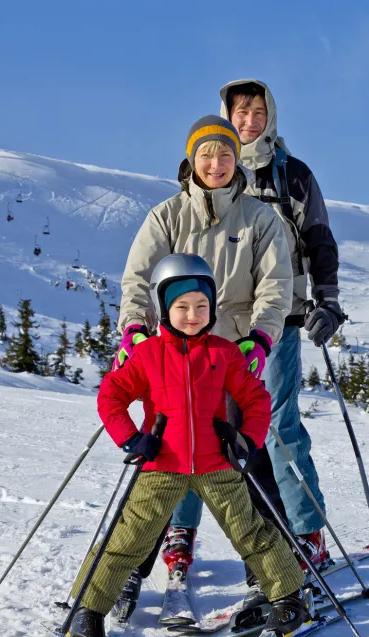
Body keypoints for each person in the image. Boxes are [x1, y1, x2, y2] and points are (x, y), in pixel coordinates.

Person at [67, 253, 306, 637]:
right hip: (162, 464)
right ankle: (87, 609)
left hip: (217, 463)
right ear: (164, 308)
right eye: (181, 307)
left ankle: (288, 596)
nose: (192, 315)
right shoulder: (146, 355)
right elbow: (111, 396)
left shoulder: (224, 353)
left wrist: (246, 441)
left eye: (201, 306)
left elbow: (256, 399)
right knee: (128, 538)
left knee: (252, 532)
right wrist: (132, 438)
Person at [111, 115, 293, 612]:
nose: (217, 164)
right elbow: (138, 280)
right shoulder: (167, 216)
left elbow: (276, 286)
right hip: (171, 358)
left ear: (238, 159)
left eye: (226, 154)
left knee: (249, 459)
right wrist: (134, 328)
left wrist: (259, 338)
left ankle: (272, 571)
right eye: (207, 155)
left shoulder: (260, 218)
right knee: (159, 464)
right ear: (192, 160)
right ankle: (126, 572)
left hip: (232, 354)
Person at [217, 78, 344, 566]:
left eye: (257, 111)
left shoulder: (294, 175)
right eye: (240, 111)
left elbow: (319, 240)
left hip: (279, 320)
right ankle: (253, 538)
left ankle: (307, 534)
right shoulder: (215, 170)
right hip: (219, 323)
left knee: (276, 425)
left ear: (270, 114)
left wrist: (327, 302)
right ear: (226, 115)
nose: (249, 120)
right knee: (217, 429)